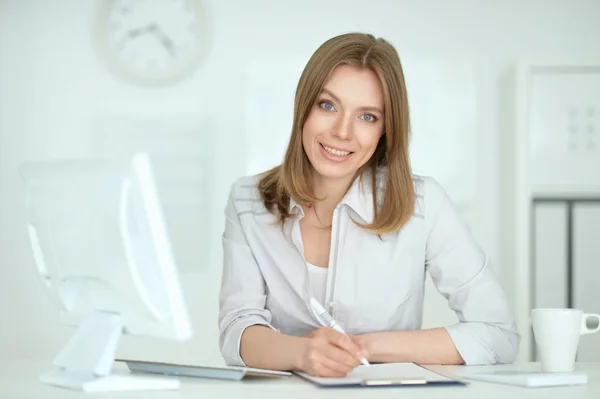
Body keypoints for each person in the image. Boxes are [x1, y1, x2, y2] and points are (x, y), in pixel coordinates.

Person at [218, 32, 519, 377]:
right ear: (304, 107)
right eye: (327, 105)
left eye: (367, 117)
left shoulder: (423, 203)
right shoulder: (248, 200)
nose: (342, 132)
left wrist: (363, 347)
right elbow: (236, 330)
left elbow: (498, 335)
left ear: (385, 131)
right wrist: (304, 353)